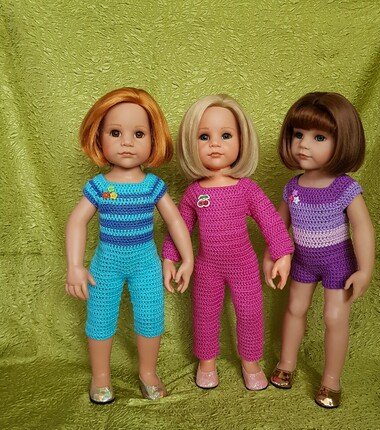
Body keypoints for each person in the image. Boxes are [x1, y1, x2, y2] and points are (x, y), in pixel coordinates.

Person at [65, 87, 193, 404]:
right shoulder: (99, 186)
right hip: (105, 264)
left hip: (145, 264)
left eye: (138, 133)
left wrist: (187, 259)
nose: (126, 142)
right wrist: (75, 266)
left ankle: (148, 372)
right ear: (99, 138)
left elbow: (176, 221)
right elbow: (77, 221)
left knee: (151, 317)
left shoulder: (152, 185)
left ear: (153, 139)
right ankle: (101, 376)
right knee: (100, 318)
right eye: (115, 133)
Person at [162, 94, 293, 390]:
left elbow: (271, 221)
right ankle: (206, 362)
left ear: (241, 141)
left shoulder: (246, 189)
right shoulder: (195, 193)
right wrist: (170, 257)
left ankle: (251, 362)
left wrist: (282, 253)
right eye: (204, 137)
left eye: (225, 135)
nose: (215, 144)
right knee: (205, 314)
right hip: (207, 266)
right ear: (190, 144)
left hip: (244, 265)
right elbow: (180, 228)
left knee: (250, 313)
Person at [265, 92, 375, 408]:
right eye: (298, 134)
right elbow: (278, 227)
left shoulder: (344, 187)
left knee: (334, 317)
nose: (303, 144)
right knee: (295, 308)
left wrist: (365, 270)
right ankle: (286, 364)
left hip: (338, 262)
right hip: (302, 261)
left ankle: (331, 380)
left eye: (319, 137)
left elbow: (363, 228)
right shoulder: (293, 187)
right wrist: (271, 255)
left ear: (342, 142)